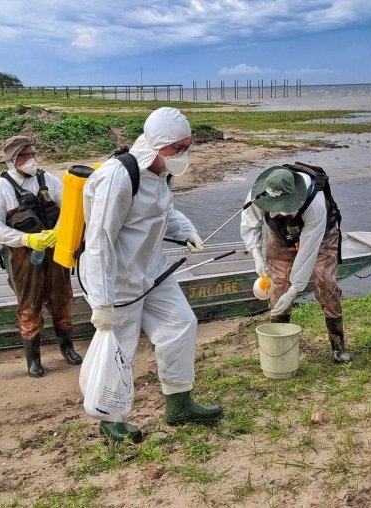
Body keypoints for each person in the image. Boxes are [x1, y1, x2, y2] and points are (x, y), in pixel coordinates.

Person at [79, 107, 223, 442]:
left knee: (181, 323)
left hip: (153, 268)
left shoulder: (163, 173)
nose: (183, 154)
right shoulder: (118, 176)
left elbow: (164, 212)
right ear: (158, 144)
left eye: (187, 147)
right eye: (177, 148)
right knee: (121, 347)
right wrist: (101, 302)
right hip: (118, 278)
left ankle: (179, 404)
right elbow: (99, 241)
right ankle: (111, 419)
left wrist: (186, 231)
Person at [0, 135, 82, 378]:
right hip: (23, 259)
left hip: (55, 252)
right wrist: (27, 239)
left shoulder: (49, 180)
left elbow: (69, 207)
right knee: (29, 307)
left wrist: (58, 231)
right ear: (13, 160)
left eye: (33, 154)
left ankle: (67, 348)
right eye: (25, 155)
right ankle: (34, 360)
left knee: (63, 300)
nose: (31, 159)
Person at [240, 164, 352, 363]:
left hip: (321, 235)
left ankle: (338, 346)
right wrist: (256, 256)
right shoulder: (257, 195)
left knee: (325, 282)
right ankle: (279, 345)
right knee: (278, 286)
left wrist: (294, 291)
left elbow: (307, 252)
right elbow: (250, 225)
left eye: (284, 208)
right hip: (280, 234)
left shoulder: (315, 204)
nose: (281, 213)